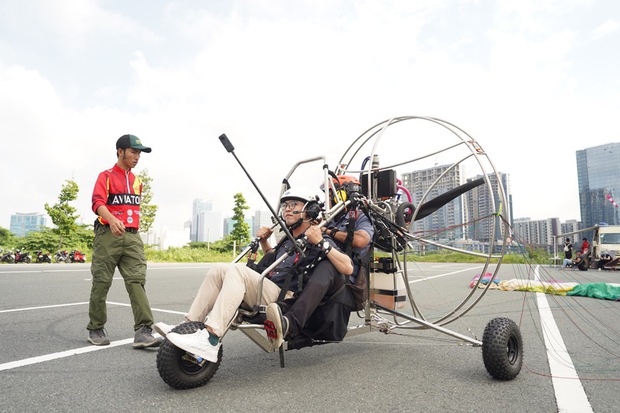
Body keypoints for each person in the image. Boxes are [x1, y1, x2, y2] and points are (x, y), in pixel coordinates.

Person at [156, 188, 354, 362]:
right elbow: (273, 262)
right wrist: (264, 242)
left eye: (293, 204)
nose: (286, 209)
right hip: (269, 288)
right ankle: (189, 326)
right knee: (218, 269)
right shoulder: (287, 241)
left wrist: (321, 243)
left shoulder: (319, 237)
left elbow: (348, 267)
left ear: (310, 210)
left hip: (287, 299)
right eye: (284, 205)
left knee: (238, 271)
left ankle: (211, 338)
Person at [86, 134, 160, 348]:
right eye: (133, 152)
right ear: (120, 152)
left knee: (137, 280)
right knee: (101, 281)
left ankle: (144, 331)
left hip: (132, 236)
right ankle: (96, 328)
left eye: (139, 153)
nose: (137, 157)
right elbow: (97, 202)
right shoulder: (106, 176)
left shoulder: (138, 182)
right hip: (108, 234)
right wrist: (111, 219)